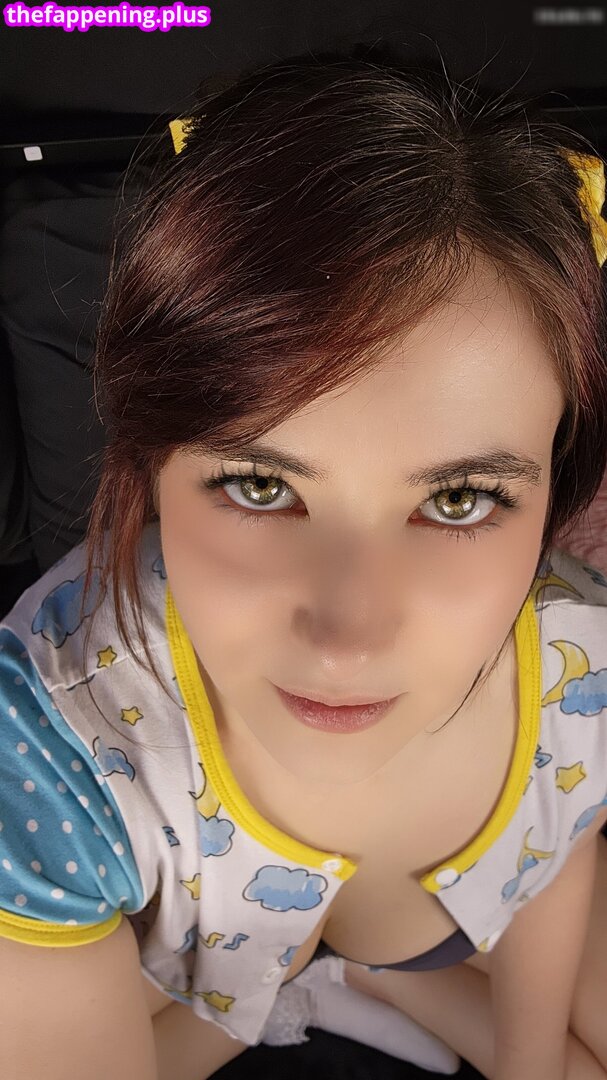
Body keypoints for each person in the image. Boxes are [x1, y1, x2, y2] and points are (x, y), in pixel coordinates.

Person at [1, 44, 607, 1080]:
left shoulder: (576, 652)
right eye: (259, 486)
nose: (347, 638)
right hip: (171, 985)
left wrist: (527, 1066)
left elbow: (558, 834)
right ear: (151, 458)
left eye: (457, 499)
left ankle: (370, 976)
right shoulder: (46, 763)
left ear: (554, 488)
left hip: (441, 932)